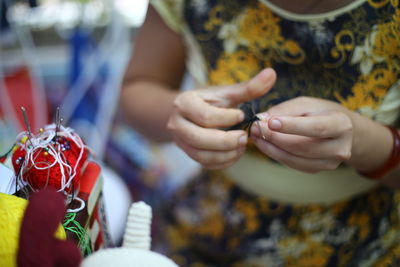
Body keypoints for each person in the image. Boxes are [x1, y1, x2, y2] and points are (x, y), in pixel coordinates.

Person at [120, 0, 400, 266]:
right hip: (210, 231)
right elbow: (139, 86)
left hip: (369, 242)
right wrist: (180, 115)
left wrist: (369, 144)